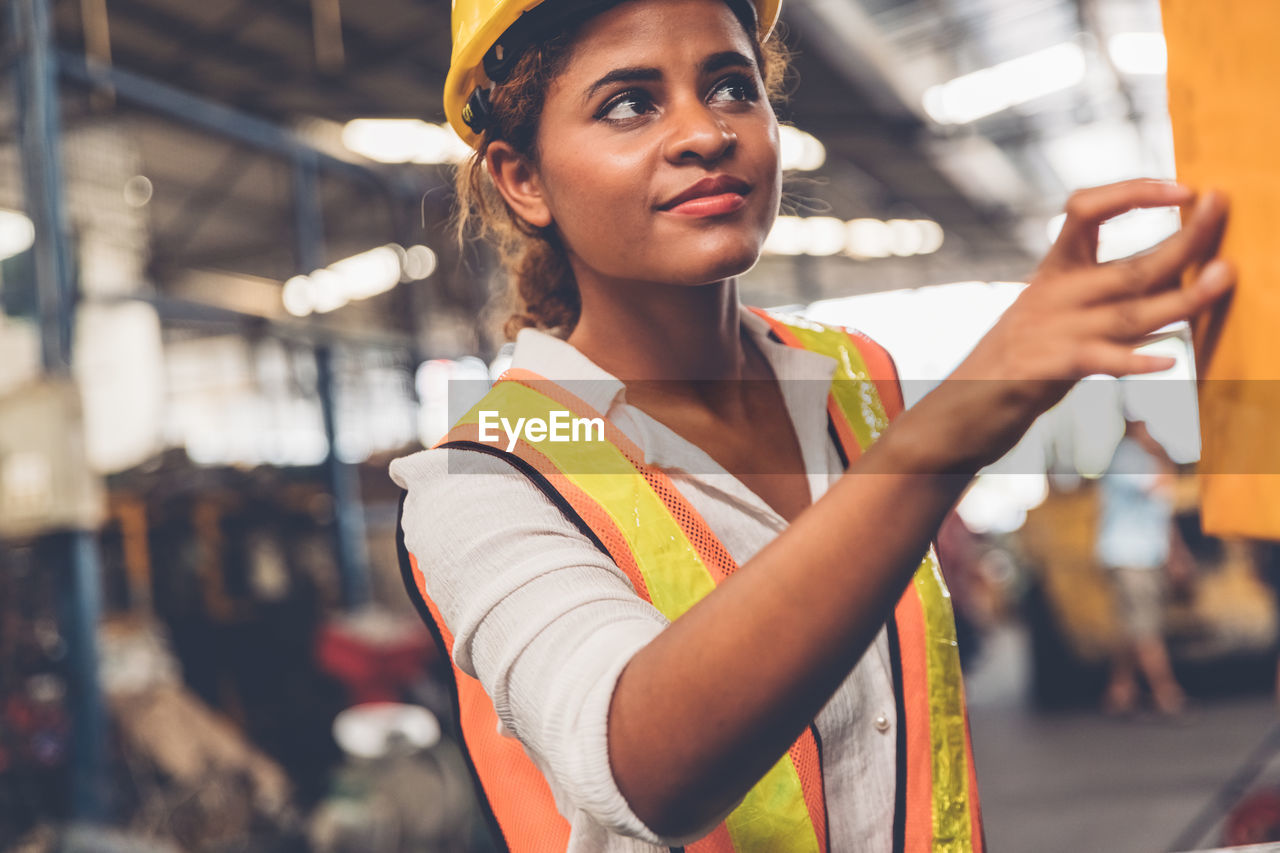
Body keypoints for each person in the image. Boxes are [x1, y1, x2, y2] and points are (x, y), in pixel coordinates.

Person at [390, 0, 1235, 846]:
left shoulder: (856, 376)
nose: (707, 132)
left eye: (731, 87)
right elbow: (640, 770)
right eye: (629, 104)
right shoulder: (485, 477)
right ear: (523, 179)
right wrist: (950, 431)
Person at [1096, 419, 1192, 717]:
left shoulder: (1143, 457)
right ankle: (1167, 694)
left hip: (1145, 555)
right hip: (1130, 555)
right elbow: (1160, 486)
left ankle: (1120, 692)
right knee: (1145, 626)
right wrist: (1162, 454)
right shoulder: (1126, 457)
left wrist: (1176, 554)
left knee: (1133, 626)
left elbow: (1162, 512)